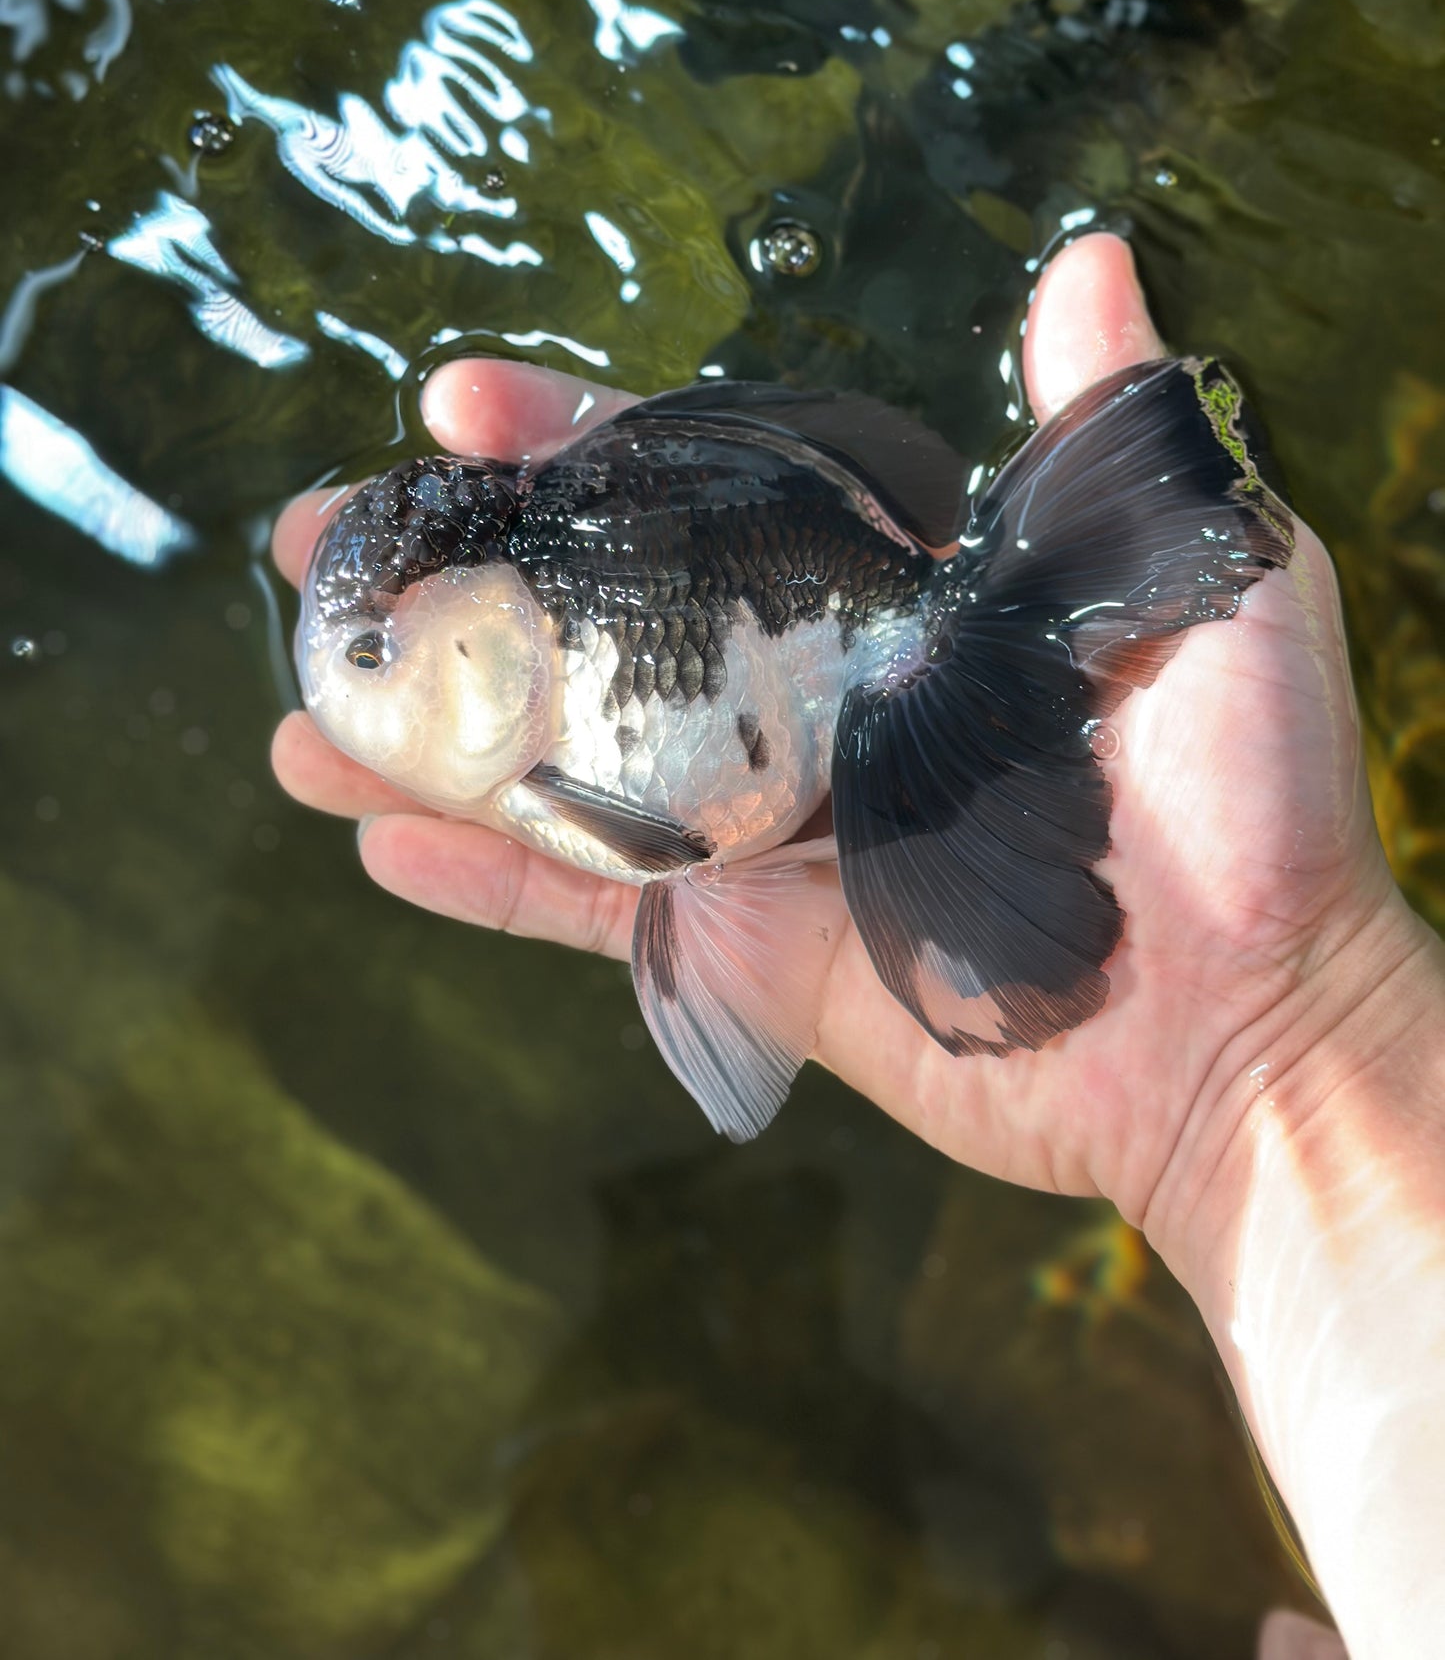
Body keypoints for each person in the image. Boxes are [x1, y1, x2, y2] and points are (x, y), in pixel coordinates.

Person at [271, 233, 1445, 1660]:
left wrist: (1281, 1035)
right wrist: (1290, 1040)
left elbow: (668, 857)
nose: (346, 690)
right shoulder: (554, 722)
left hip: (858, 643)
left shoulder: (572, 758)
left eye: (379, 657)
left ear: (473, 649)